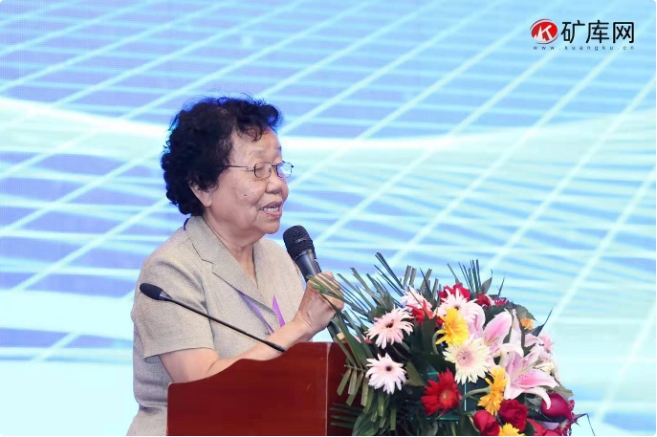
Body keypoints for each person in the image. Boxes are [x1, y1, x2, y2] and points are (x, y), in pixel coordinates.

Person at [127, 96, 343, 436]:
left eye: (279, 167)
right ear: (202, 185)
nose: (278, 185)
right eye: (259, 170)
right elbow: (202, 390)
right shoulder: (170, 270)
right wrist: (301, 325)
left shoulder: (279, 259)